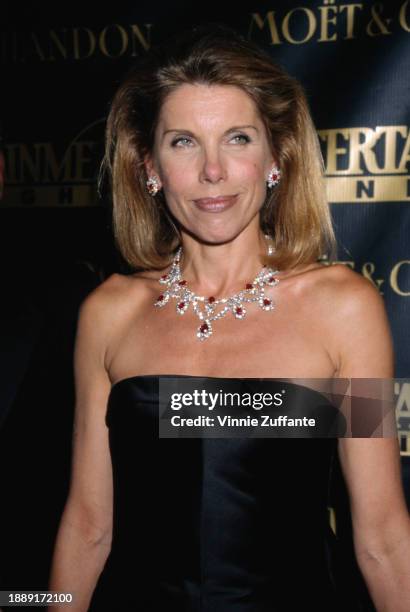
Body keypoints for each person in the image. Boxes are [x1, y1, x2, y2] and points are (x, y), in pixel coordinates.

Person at [48, 24, 410, 612]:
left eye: (237, 138)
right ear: (149, 166)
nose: (212, 172)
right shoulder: (108, 314)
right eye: (184, 142)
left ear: (275, 156)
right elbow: (88, 525)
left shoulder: (347, 310)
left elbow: (384, 538)